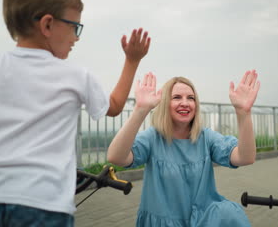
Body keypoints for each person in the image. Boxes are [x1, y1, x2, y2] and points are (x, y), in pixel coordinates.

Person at [0, 0, 151, 227]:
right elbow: (114, 107)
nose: (76, 37)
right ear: (48, 24)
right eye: (74, 27)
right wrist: (132, 60)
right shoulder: (74, 75)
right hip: (43, 203)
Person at [107, 70, 261, 227]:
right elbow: (116, 157)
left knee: (230, 214)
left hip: (202, 222)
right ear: (165, 103)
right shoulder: (153, 138)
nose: (185, 103)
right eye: (176, 97)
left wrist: (244, 112)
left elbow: (245, 157)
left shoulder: (206, 137)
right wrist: (140, 110)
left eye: (191, 98)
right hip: (161, 223)